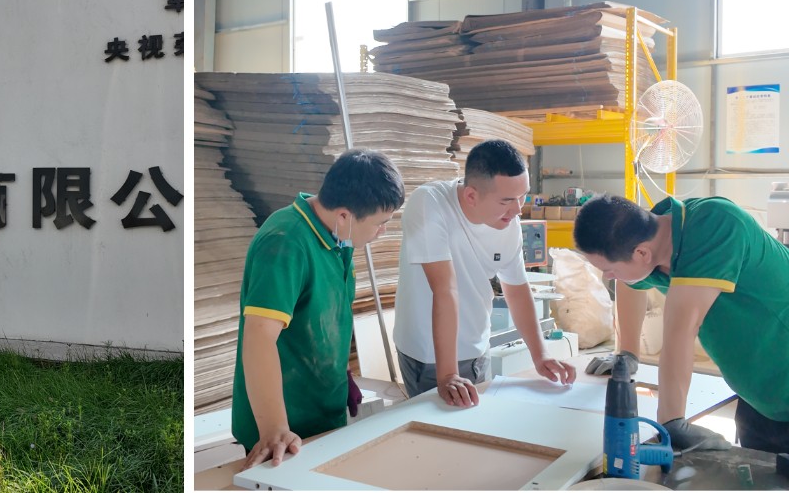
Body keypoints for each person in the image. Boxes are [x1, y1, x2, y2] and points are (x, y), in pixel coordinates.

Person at [574, 193, 789, 454]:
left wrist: (671, 422)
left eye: (609, 269)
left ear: (642, 252)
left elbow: (681, 331)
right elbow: (629, 284)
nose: (607, 277)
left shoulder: (716, 226)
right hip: (757, 395)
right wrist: (627, 353)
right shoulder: (656, 231)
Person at [232, 149, 405, 469]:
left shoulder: (338, 237)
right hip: (284, 420)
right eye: (380, 223)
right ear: (344, 214)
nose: (383, 232)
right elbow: (259, 337)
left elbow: (325, 316)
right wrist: (274, 429)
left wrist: (341, 375)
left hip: (324, 405)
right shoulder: (285, 242)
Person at [393, 139, 576, 407]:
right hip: (430, 356)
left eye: (522, 196)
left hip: (478, 349)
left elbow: (516, 288)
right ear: (471, 196)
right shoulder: (429, 204)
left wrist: (541, 355)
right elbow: (445, 290)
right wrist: (448, 375)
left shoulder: (508, 223)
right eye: (506, 200)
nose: (517, 210)